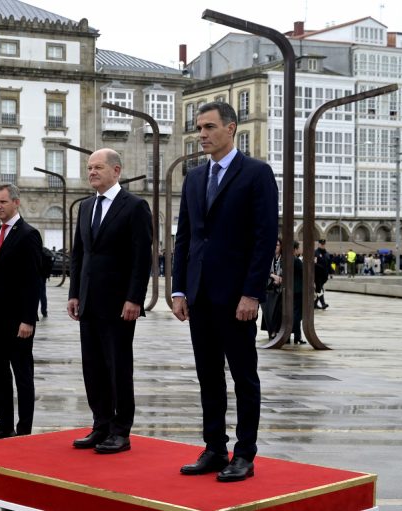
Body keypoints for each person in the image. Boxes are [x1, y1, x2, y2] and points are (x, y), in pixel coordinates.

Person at [172, 101, 278, 482]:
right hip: (199, 296)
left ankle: (244, 454)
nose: (201, 134)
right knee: (208, 376)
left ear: (231, 128)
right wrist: (179, 289)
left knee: (243, 376)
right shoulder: (195, 178)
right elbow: (184, 237)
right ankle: (214, 447)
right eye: (199, 127)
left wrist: (252, 294)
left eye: (209, 127)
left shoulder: (256, 174)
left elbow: (265, 238)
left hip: (237, 300)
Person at [67, 148, 153, 454]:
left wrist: (134, 298)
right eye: (89, 168)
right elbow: (79, 255)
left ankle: (120, 430)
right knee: (93, 367)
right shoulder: (86, 207)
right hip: (89, 301)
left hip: (119, 304)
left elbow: (142, 258)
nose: (92, 172)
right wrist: (74, 292)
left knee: (117, 366)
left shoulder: (135, 207)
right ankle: (100, 424)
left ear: (116, 171)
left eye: (98, 167)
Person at [0, 183, 42, 441]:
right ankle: (4, 425)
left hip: (17, 320)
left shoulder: (28, 234)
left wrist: (28, 318)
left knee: (22, 375)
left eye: (2, 202)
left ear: (16, 202)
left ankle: (24, 430)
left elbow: (32, 280)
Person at [260, 239, 283, 339]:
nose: (275, 247)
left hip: (279, 289)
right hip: (267, 287)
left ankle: (274, 331)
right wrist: (273, 276)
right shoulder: (268, 257)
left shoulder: (284, 258)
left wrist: (280, 279)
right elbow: (262, 270)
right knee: (266, 311)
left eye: (277, 245)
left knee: (275, 311)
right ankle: (271, 332)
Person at [291, 241, 304, 345]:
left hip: (290, 290)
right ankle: (297, 336)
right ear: (295, 249)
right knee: (297, 315)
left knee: (293, 313)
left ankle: (293, 336)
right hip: (298, 290)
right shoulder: (296, 261)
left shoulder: (286, 260)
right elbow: (305, 273)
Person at [314, 239, 331, 309]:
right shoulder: (316, 253)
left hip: (324, 276)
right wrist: (321, 267)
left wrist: (330, 272)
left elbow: (329, 264)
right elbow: (314, 263)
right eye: (321, 244)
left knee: (319, 290)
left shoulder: (327, 253)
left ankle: (314, 304)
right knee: (319, 289)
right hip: (317, 275)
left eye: (323, 244)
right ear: (319, 244)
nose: (322, 245)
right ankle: (323, 303)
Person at [39, 246, 54, 318]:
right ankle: (44, 311)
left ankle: (34, 312)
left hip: (37, 275)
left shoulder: (37, 251)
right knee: (43, 295)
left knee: (33, 295)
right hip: (43, 276)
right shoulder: (46, 252)